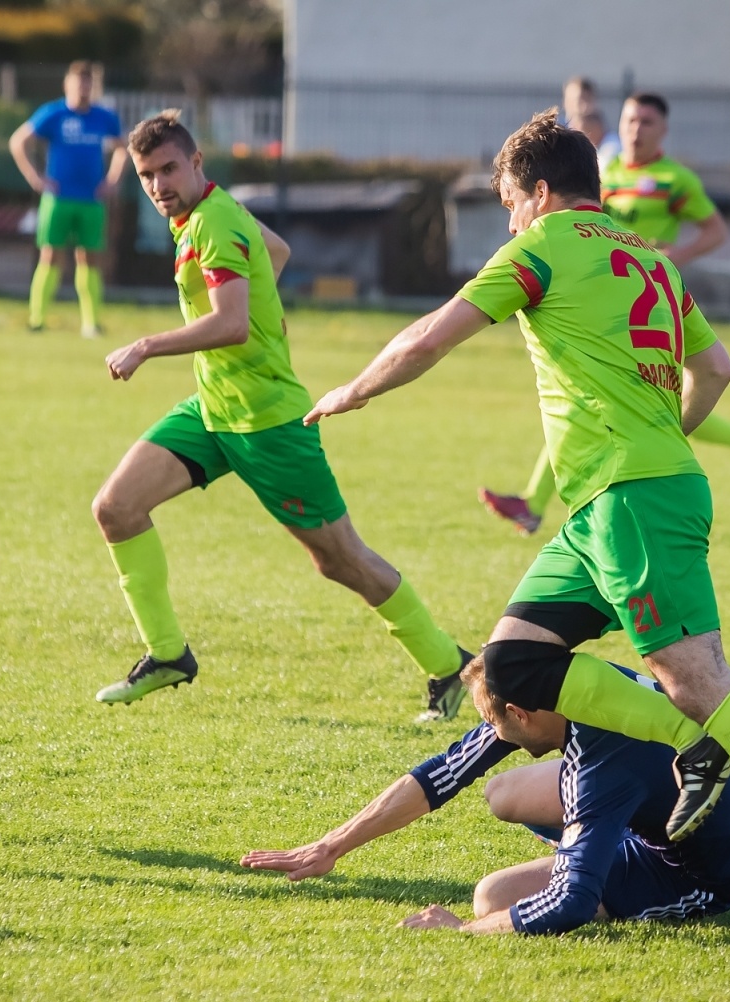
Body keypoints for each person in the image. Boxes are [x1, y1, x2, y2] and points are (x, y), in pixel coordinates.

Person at [300, 110, 730, 949]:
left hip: (632, 498)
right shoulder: (649, 256)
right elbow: (713, 369)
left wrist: (352, 390)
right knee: (512, 667)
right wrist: (668, 434)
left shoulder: (542, 249)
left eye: (509, 202)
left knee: (695, 679)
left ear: (539, 192)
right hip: (607, 507)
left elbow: (432, 336)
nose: (507, 222)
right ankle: (696, 744)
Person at [91, 111, 472, 721]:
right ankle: (167, 655)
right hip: (215, 409)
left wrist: (145, 345)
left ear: (196, 164)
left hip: (268, 422)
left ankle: (451, 666)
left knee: (340, 559)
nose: (159, 185)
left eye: (168, 169)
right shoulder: (206, 214)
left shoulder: (211, 221)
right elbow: (277, 249)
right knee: (116, 508)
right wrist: (262, 299)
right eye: (146, 175)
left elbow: (232, 323)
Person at [243, 650, 730, 938]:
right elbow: (443, 773)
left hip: (696, 870)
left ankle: (607, 855)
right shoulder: (569, 688)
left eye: (493, 722)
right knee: (502, 791)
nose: (491, 734)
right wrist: (332, 846)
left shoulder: (599, 771)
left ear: (519, 713)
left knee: (492, 897)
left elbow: (571, 904)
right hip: (684, 796)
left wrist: (464, 929)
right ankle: (602, 841)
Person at [481, 91, 730, 535]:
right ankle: (535, 502)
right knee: (592, 391)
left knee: (618, 396)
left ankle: (535, 503)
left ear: (664, 130)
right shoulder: (603, 170)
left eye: (646, 122)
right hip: (589, 298)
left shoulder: (674, 179)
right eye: (629, 120)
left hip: (644, 297)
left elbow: (715, 231)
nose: (635, 130)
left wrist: (672, 256)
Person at [8, 60, 128, 337]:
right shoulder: (53, 113)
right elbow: (18, 141)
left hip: (91, 200)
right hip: (58, 199)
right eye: (78, 82)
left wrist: (112, 181)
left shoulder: (104, 117)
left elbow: (124, 149)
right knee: (50, 255)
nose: (83, 88)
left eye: (88, 83)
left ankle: (91, 322)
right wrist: (35, 178)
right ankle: (37, 318)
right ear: (68, 84)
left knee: (90, 258)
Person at [562, 77, 620, 170]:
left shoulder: (613, 149)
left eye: (586, 99)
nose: (583, 107)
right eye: (575, 101)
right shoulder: (559, 138)